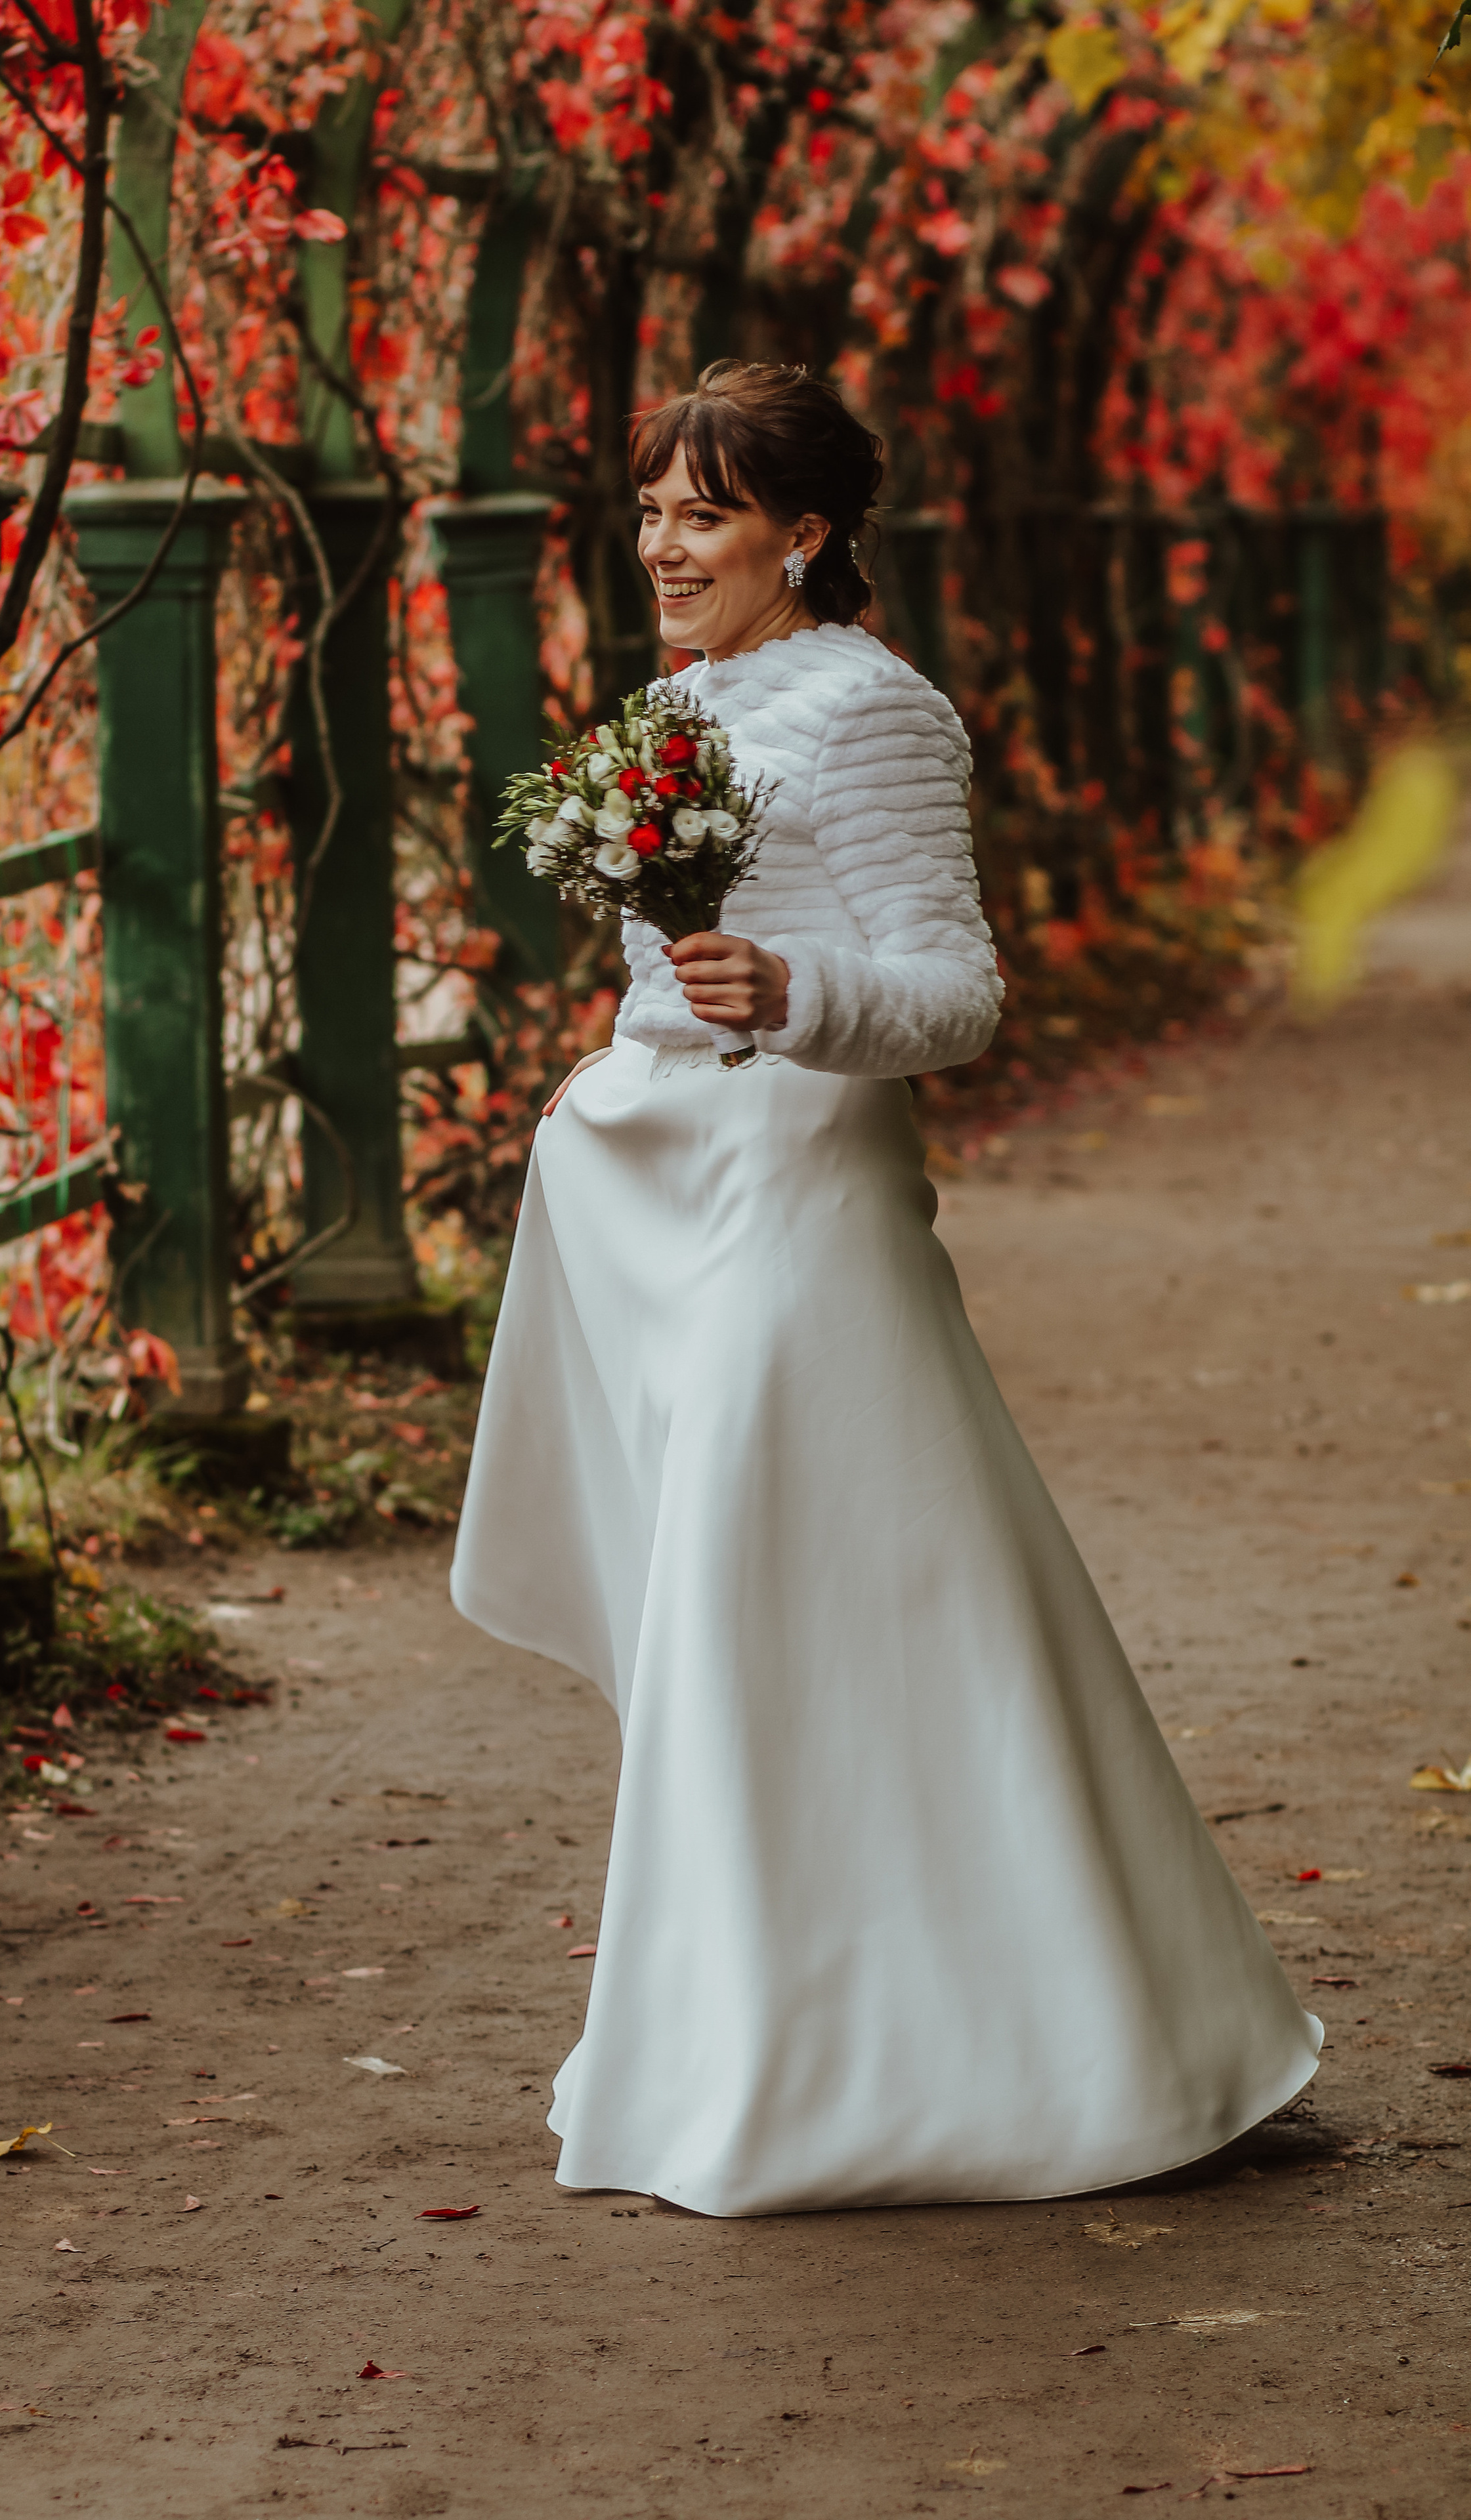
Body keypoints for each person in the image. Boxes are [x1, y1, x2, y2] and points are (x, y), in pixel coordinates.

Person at [450, 360, 1321, 2219]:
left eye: (708, 513)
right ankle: (759, 2033)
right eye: (657, 508)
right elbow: (658, 974)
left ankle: (1067, 2044)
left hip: (803, 1199)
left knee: (862, 1594)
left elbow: (960, 988)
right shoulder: (676, 703)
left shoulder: (875, 709)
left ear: (808, 533)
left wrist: (806, 997)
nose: (667, 544)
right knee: (743, 1625)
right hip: (664, 1197)